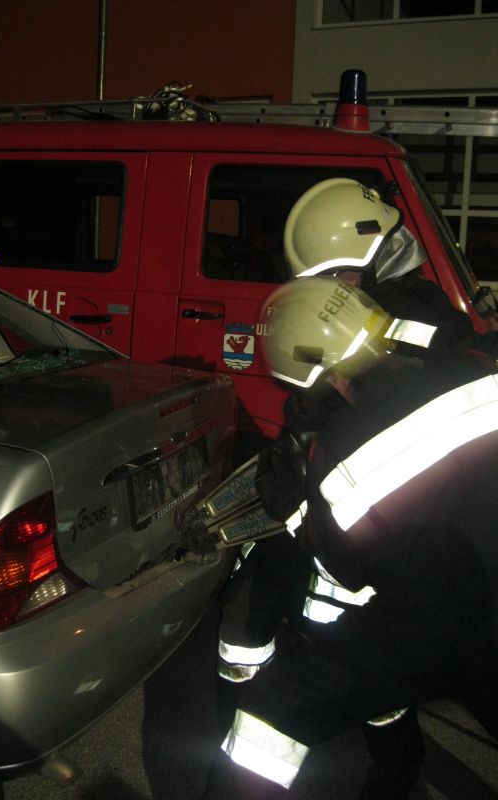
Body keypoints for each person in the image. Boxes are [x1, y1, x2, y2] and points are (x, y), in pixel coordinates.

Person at [204, 276, 498, 799]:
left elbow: (345, 572)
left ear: (318, 375)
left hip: (435, 621)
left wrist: (294, 506)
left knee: (270, 721)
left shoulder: (339, 452)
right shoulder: (475, 368)